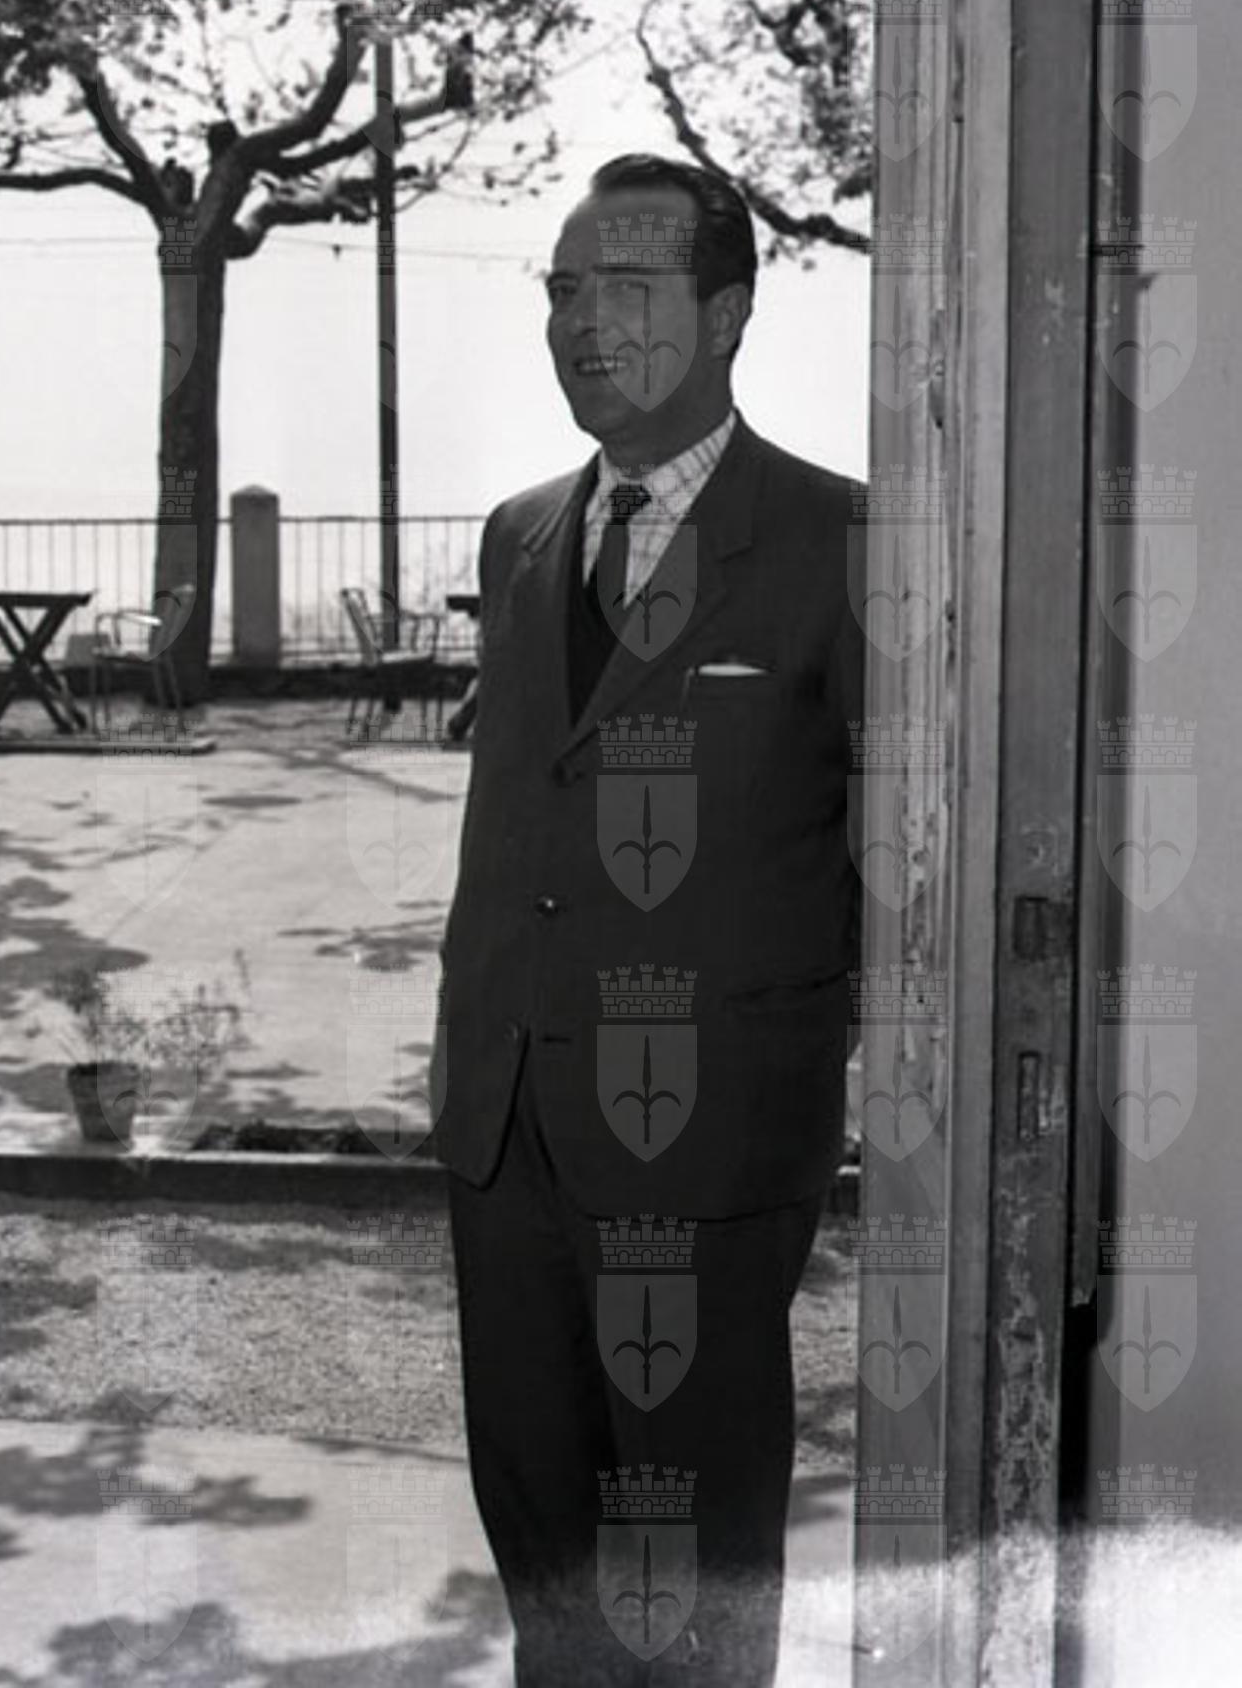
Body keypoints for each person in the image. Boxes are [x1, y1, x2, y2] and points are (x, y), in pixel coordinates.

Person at [431, 153, 864, 1686]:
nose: (582, 322)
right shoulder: (518, 535)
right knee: (544, 1550)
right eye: (563, 290)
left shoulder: (846, 544)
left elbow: (900, 859)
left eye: (626, 286)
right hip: (508, 1135)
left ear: (727, 313)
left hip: (708, 1144)